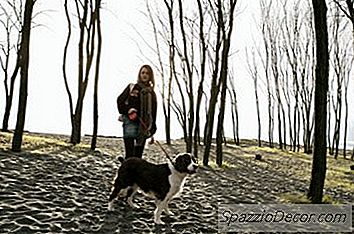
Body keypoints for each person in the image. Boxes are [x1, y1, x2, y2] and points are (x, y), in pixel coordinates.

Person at [117, 65, 157, 159]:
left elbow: (153, 112)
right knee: (129, 155)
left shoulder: (151, 93)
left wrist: (152, 129)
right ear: (139, 74)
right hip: (130, 122)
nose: (145, 75)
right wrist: (128, 110)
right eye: (143, 72)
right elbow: (120, 100)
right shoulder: (132, 87)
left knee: (138, 157)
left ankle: (135, 174)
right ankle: (126, 173)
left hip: (143, 125)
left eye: (147, 73)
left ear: (150, 76)